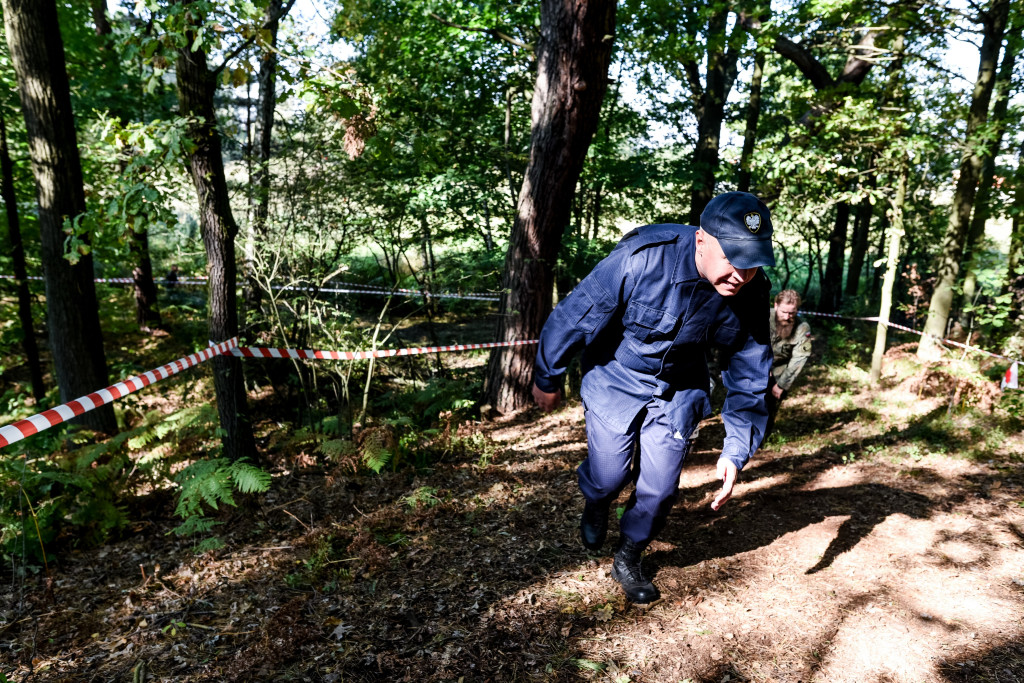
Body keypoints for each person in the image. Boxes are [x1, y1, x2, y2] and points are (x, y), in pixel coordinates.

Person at [532, 191, 774, 604]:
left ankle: (628, 555)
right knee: (609, 475)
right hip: (615, 376)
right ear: (702, 240)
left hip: (680, 388)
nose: (741, 274)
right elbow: (575, 314)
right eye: (732, 258)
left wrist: (735, 451)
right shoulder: (642, 258)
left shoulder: (751, 292)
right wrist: (547, 377)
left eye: (751, 263)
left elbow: (750, 372)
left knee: (659, 489)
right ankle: (597, 498)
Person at [765, 289, 812, 442]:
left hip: (781, 372)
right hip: (756, 367)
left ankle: (761, 441)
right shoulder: (762, 316)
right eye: (784, 312)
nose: (787, 317)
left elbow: (800, 357)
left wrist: (782, 384)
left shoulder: (802, 328)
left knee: (770, 407)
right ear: (776, 305)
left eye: (792, 313)